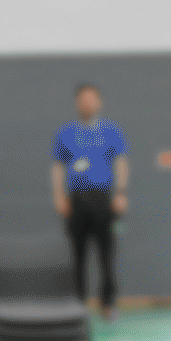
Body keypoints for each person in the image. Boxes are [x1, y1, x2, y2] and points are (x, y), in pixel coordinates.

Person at [51, 83, 129, 318]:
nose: (87, 103)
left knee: (106, 255)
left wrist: (121, 193)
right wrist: (59, 196)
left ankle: (108, 303)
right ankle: (78, 305)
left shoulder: (111, 131)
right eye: (82, 99)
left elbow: (121, 162)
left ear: (99, 102)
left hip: (103, 199)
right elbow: (58, 167)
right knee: (77, 255)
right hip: (76, 200)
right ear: (77, 104)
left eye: (91, 99)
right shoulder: (66, 133)